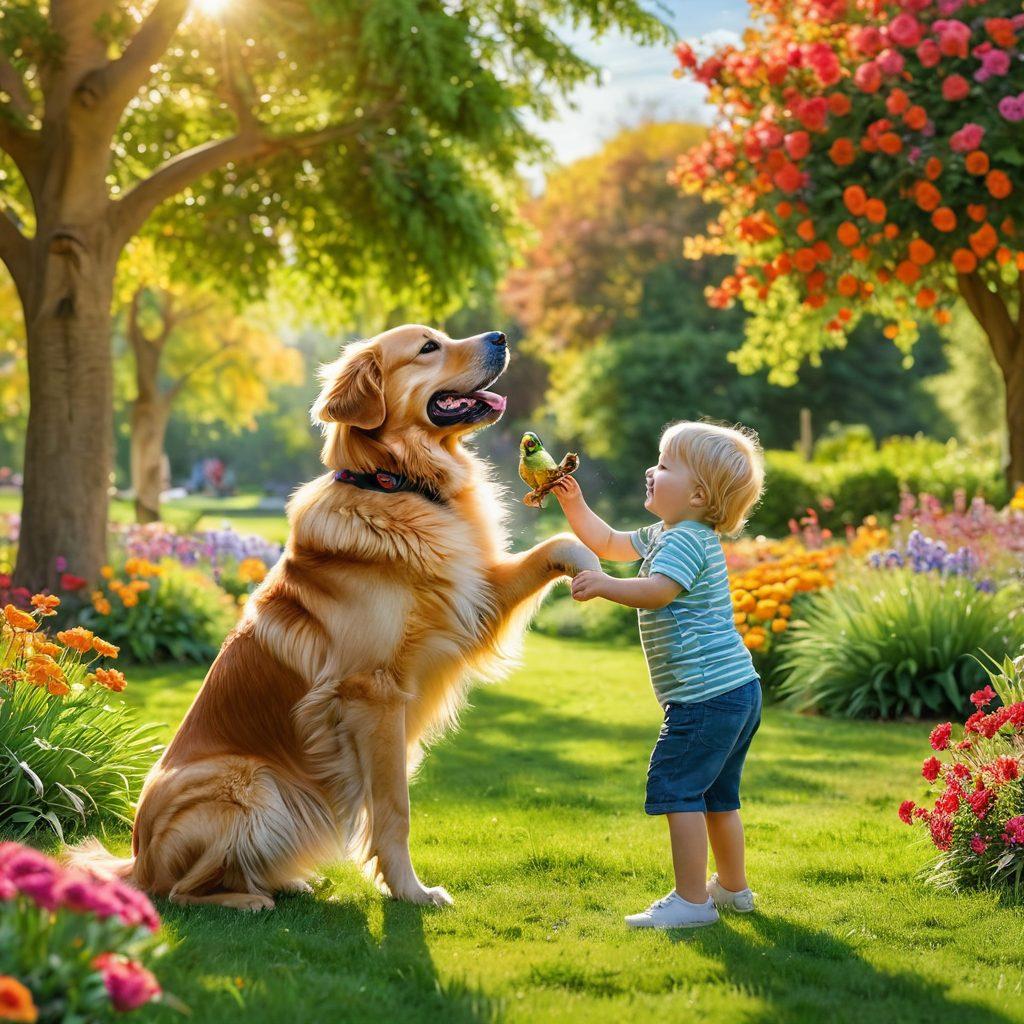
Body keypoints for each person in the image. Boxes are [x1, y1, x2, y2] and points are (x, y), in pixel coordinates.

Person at [551, 420, 765, 929]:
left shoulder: (687, 540)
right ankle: (733, 890)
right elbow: (608, 540)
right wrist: (573, 503)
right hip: (736, 691)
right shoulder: (667, 533)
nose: (652, 470)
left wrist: (604, 586)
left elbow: (658, 591)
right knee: (718, 796)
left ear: (697, 494)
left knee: (678, 787)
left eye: (665, 465)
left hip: (705, 698)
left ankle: (692, 903)